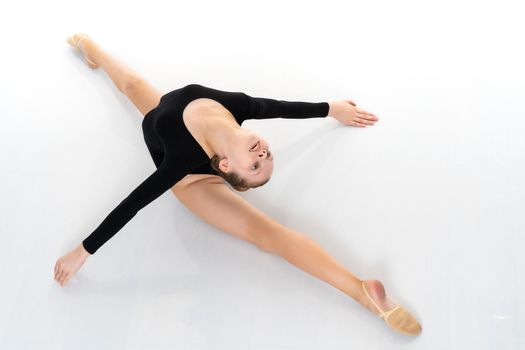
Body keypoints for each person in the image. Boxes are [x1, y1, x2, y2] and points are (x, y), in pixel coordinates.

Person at [54, 33, 422, 336]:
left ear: (227, 166)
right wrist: (330, 107)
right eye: (265, 159)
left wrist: (82, 251)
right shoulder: (236, 109)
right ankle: (90, 46)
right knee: (131, 82)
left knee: (268, 234)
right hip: (182, 149)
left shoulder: (184, 156)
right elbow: (281, 106)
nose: (263, 153)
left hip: (193, 176)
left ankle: (361, 291)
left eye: (257, 164)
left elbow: (133, 202)